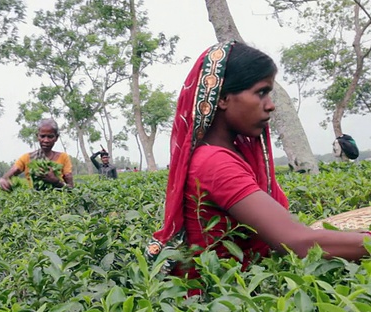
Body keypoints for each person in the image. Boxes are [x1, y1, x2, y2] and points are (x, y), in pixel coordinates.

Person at [146, 41, 370, 286]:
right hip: (226, 305)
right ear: (222, 98)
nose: (270, 104)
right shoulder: (215, 163)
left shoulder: (226, 154)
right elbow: (294, 242)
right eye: (261, 92)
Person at [0, 118, 74, 191]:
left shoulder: (63, 157)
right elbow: (10, 174)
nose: (46, 140)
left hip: (59, 201)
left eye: (50, 136)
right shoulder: (27, 158)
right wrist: (2, 181)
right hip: (34, 201)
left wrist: (55, 181)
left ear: (56, 138)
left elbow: (71, 189)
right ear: (37, 136)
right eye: (42, 136)